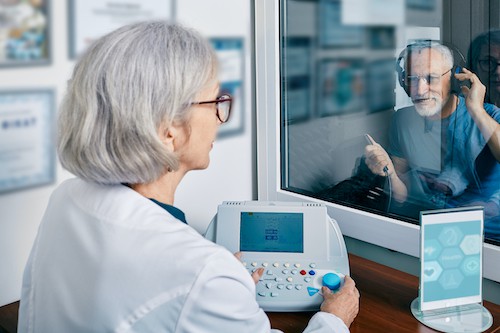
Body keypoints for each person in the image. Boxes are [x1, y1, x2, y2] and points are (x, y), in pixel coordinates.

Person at [18, 21, 359, 332]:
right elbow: (184, 281)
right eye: (215, 101)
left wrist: (224, 291)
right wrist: (333, 319)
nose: (218, 117)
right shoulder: (204, 273)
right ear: (169, 130)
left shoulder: (67, 198)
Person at [364, 41, 500, 240]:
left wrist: (476, 109)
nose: (419, 90)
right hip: (430, 229)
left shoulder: (488, 115)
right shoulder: (402, 120)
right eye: (412, 79)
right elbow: (402, 195)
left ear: (454, 79)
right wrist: (390, 173)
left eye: (431, 78)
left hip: (483, 235)